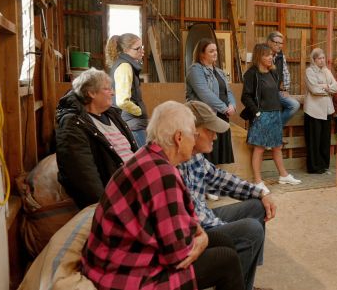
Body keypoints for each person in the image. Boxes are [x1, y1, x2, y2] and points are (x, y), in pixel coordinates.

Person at [82, 101, 245, 290]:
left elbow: (179, 219)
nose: (194, 140)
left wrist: (200, 234)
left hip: (121, 259)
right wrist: (202, 239)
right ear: (179, 138)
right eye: (193, 134)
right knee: (226, 261)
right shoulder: (162, 174)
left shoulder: (148, 155)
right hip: (126, 276)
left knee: (222, 240)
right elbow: (178, 255)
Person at [179, 101, 277, 290]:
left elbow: (221, 180)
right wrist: (228, 230)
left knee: (257, 206)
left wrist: (261, 192)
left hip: (205, 219)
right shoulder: (172, 164)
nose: (215, 137)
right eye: (210, 130)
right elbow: (189, 223)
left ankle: (243, 283)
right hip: (197, 231)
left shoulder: (195, 156)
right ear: (190, 132)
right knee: (251, 230)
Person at [55, 68, 138, 209]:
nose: (112, 92)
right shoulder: (73, 125)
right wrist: (105, 209)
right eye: (107, 89)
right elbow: (84, 176)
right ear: (91, 93)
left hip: (136, 186)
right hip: (118, 197)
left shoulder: (112, 114)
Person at [242, 43, 301, 193]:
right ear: (259, 56)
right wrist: (256, 113)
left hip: (275, 114)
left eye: (271, 55)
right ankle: (257, 181)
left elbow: (276, 94)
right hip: (262, 115)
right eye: (267, 55)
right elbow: (246, 96)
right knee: (259, 148)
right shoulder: (251, 74)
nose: (270, 57)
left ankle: (283, 175)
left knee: (277, 146)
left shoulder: (272, 73)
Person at [186, 39, 236, 165]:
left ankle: (216, 182)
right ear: (201, 54)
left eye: (216, 50)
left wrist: (232, 106)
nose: (215, 53)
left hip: (222, 116)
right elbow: (204, 93)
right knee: (207, 155)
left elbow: (228, 91)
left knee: (218, 156)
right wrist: (224, 108)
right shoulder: (195, 69)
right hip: (207, 116)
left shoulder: (219, 71)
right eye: (211, 51)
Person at [105, 33, 149, 147]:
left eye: (142, 47)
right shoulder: (125, 67)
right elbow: (122, 101)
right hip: (132, 123)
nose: (142, 51)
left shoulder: (125, 65)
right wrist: (139, 111)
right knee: (143, 161)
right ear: (125, 50)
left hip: (130, 122)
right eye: (137, 49)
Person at [303, 48, 337, 174]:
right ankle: (314, 167)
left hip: (327, 110)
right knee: (314, 140)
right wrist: (327, 89)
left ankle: (324, 165)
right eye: (319, 58)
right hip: (313, 110)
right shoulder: (309, 71)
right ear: (314, 59)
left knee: (324, 139)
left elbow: (336, 87)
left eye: (323, 58)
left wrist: (325, 86)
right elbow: (314, 89)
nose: (322, 60)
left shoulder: (327, 71)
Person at [267, 31, 300, 126]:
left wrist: (285, 89)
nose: (279, 45)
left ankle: (275, 128)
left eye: (281, 43)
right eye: (276, 43)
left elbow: (286, 73)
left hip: (277, 91)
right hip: (265, 93)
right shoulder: (263, 54)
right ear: (269, 42)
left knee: (294, 105)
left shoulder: (281, 56)